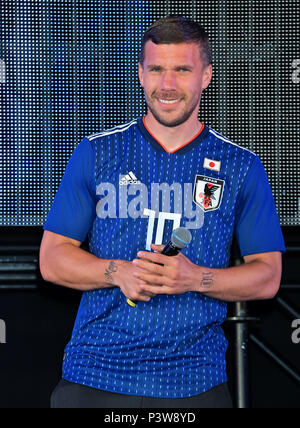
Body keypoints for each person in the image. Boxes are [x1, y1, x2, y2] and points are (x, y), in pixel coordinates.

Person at [40, 16, 286, 408]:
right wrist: (119, 272)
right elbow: (52, 260)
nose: (167, 85)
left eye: (182, 70)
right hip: (95, 374)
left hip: (194, 382)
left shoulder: (242, 166)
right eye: (156, 69)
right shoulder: (96, 152)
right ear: (140, 74)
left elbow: (268, 277)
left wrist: (193, 278)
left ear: (205, 76)